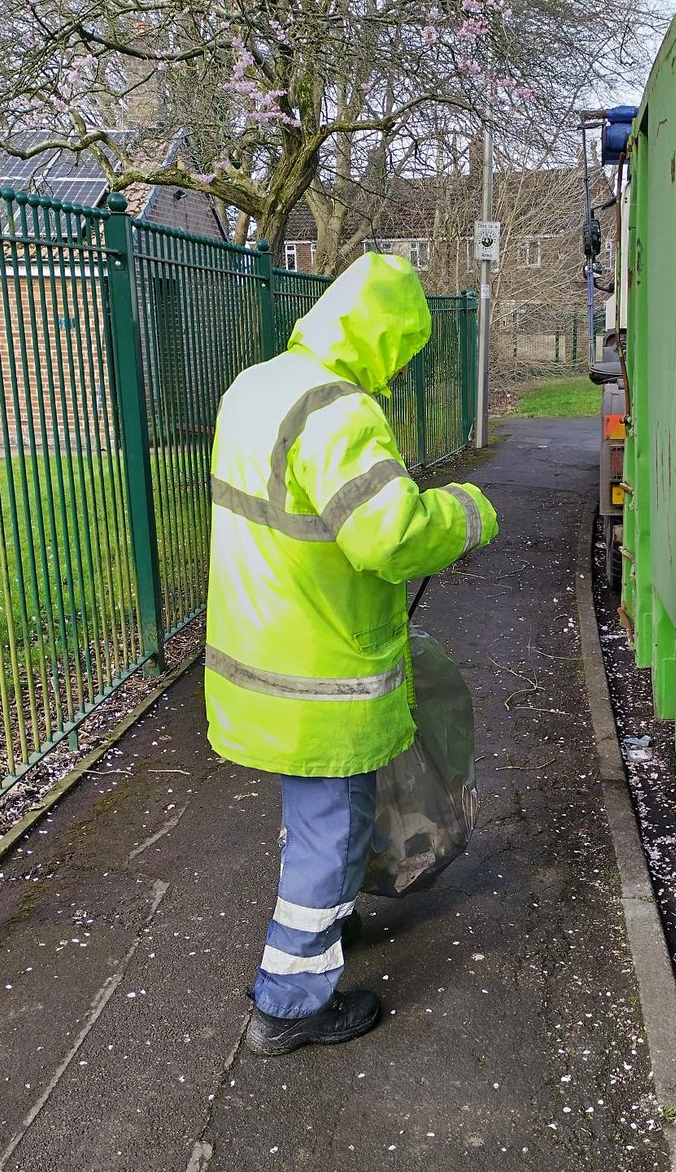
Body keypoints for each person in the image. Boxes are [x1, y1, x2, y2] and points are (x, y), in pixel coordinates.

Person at [205, 252, 498, 1056]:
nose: (401, 370)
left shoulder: (258, 386)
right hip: (322, 672)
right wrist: (468, 511)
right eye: (403, 351)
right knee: (330, 833)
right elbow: (389, 535)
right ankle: (288, 1008)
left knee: (320, 823)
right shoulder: (339, 413)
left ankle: (320, 936)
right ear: (384, 336)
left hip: (258, 655)